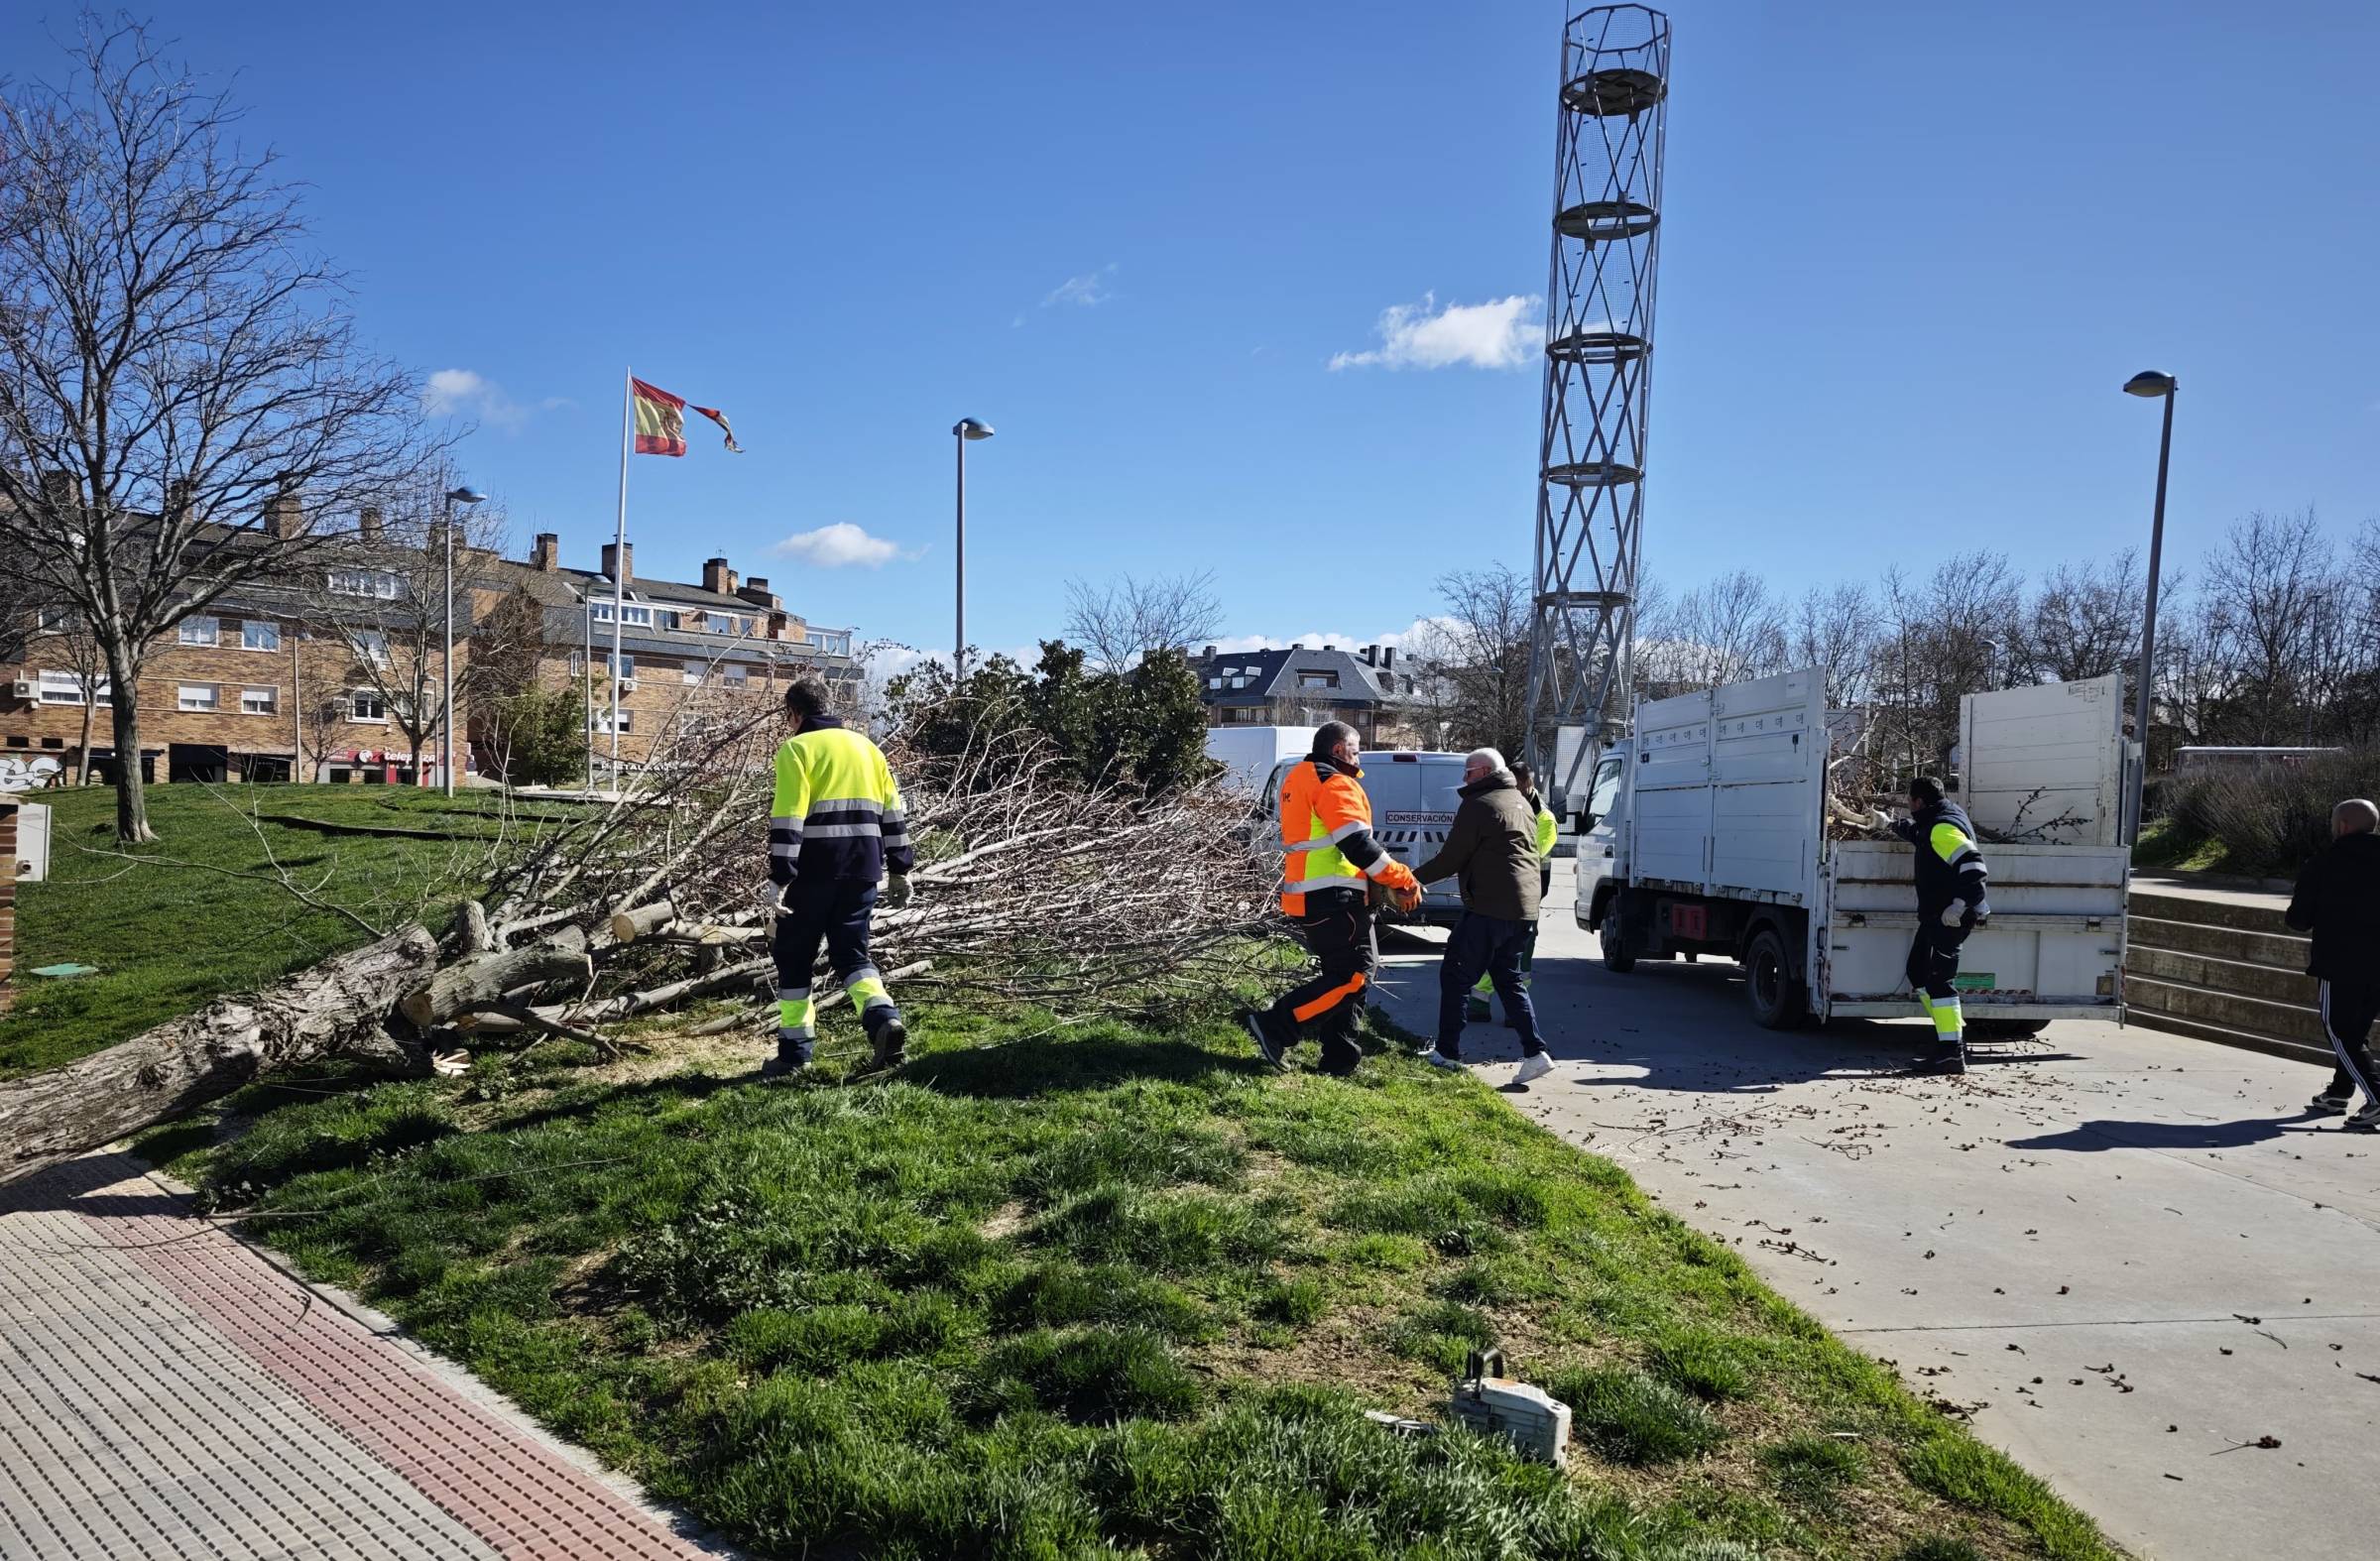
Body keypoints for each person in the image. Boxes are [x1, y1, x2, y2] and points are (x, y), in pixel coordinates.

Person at [1243, 722, 1421, 1076]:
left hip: (1314, 897)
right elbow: (1357, 845)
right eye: (1356, 750)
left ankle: (1340, 1059)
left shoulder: (1298, 777)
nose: (1359, 758)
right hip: (1335, 897)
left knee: (1344, 976)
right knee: (1355, 976)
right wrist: (1401, 877)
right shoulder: (1333, 782)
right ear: (1339, 750)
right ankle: (1277, 1025)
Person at [761, 675, 914, 1078]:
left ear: (793, 713)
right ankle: (884, 1019)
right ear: (830, 706)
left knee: (794, 958)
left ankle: (795, 1054)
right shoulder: (868, 749)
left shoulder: (797, 749)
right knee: (852, 956)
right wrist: (900, 869)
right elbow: (893, 813)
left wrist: (779, 877)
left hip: (812, 874)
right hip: (863, 872)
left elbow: (789, 819)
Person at [1411, 748, 1553, 1084]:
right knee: (1507, 978)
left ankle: (1447, 1053)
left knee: (1455, 975)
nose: (1464, 778)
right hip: (1524, 909)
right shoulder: (1521, 802)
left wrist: (1409, 881)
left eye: (1469, 771)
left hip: (1491, 907)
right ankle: (1536, 1053)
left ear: (1486, 772)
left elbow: (1451, 858)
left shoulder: (1479, 804)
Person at [2285, 797, 2380, 1133]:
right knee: (2356, 1031)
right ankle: (2339, 1092)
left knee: (2338, 1029)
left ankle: (2377, 1096)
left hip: (2340, 962)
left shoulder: (2324, 862)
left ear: (2342, 826)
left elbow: (2298, 920)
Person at [1884, 776, 1989, 1074]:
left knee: (1939, 982)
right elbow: (1919, 833)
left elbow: (1974, 866)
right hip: (1936, 916)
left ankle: (1951, 1052)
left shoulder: (1942, 827)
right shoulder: (1938, 819)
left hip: (1951, 917)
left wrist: (1960, 904)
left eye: (1909, 801)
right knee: (1917, 971)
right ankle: (1948, 1037)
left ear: (1918, 801)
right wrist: (1889, 824)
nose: (1909, 806)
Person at [1468, 760, 1558, 1024]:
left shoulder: (1544, 819)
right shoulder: (1504, 806)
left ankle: (1514, 1009)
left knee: (1518, 955)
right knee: (1490, 949)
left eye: (1515, 786)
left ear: (1527, 784)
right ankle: (1480, 1002)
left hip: (1525, 899)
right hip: (1496, 895)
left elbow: (1529, 854)